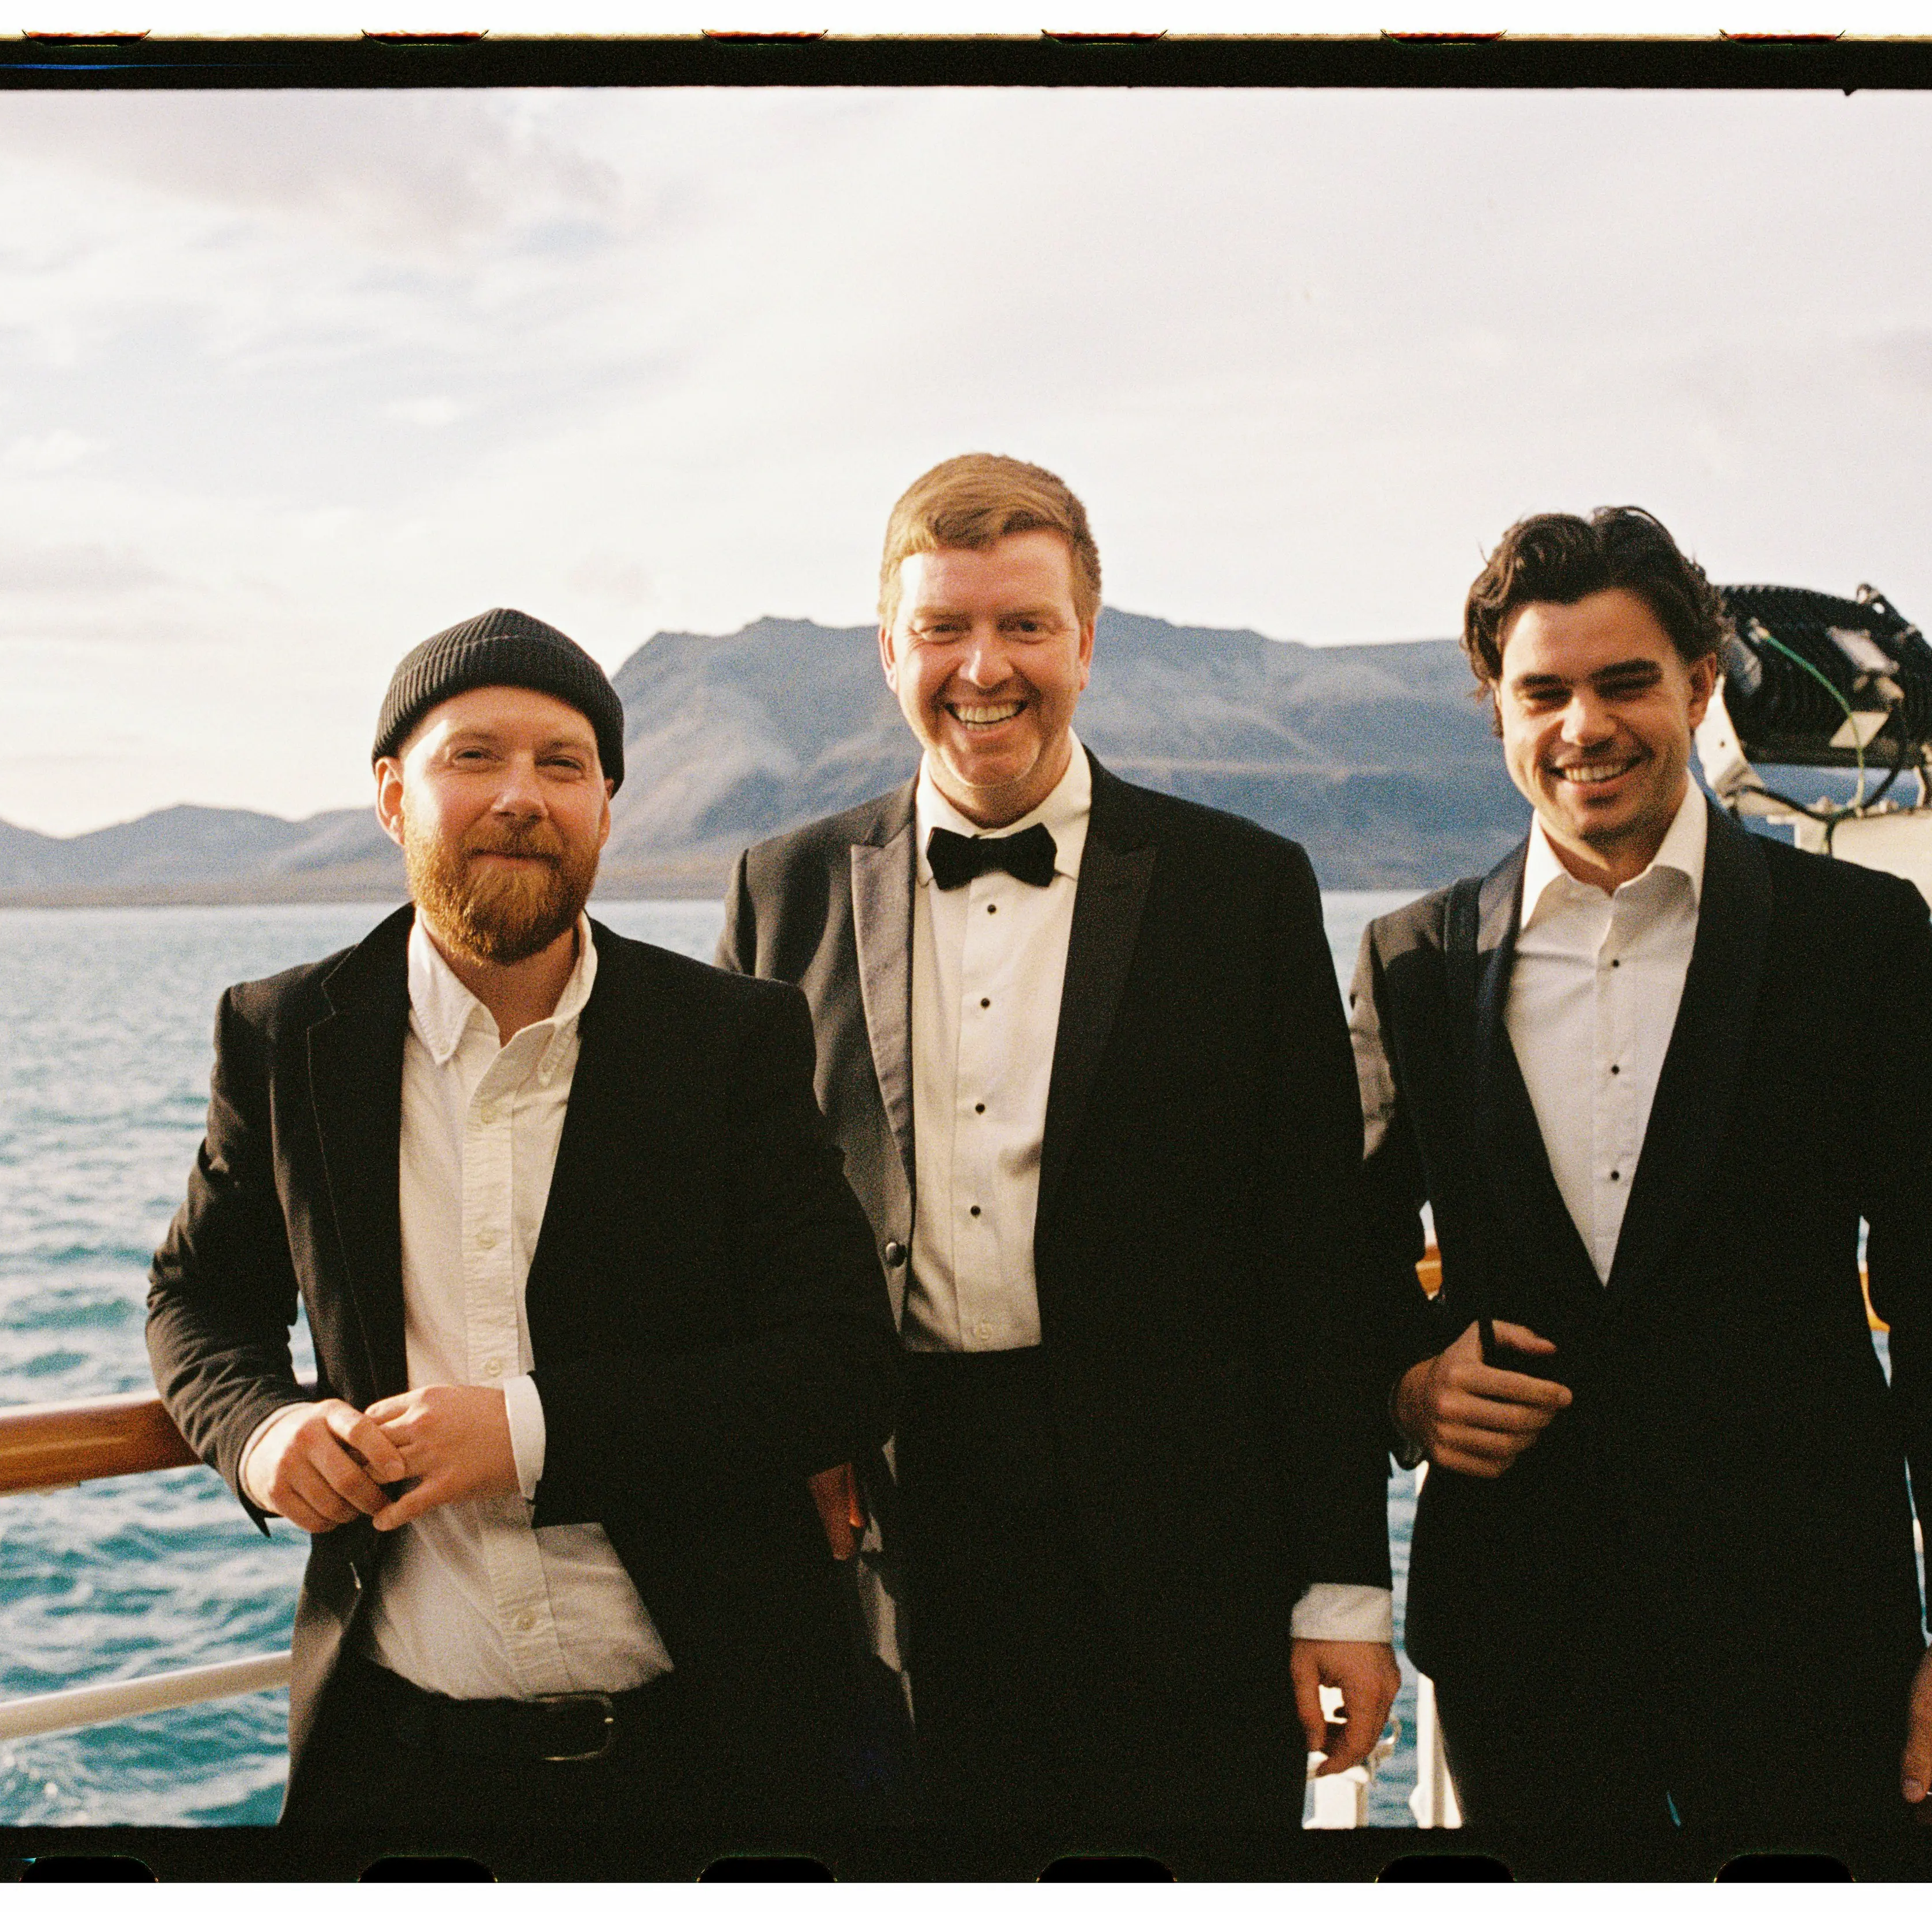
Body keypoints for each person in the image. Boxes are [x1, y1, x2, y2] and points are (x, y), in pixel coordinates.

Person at [717, 454, 1400, 1833]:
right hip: (893, 1553)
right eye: (945, 630)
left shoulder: (1244, 890)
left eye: (1025, 626)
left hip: (1186, 1561)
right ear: (889, 650)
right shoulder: (782, 888)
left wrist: (1340, 1592)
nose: (985, 668)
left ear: (1087, 640)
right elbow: (741, 1221)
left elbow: (1315, 1259)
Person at [147, 608, 899, 1831]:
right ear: (392, 796)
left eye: (563, 766)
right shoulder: (288, 1039)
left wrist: (528, 1433)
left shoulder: (731, 1041)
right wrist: (257, 1433)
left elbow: (842, 1367)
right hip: (402, 1762)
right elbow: (197, 1298)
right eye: (474, 758)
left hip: (719, 1751)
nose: (521, 797)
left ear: (608, 804)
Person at [1353, 506, 1932, 1831]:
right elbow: (1339, 1260)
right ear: (1496, 707)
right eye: (1543, 692)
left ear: (1700, 686)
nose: (1583, 727)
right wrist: (1411, 1384)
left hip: (1806, 1637)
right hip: (1518, 1641)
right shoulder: (1411, 960)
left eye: (1624, 684)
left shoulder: (1862, 941)